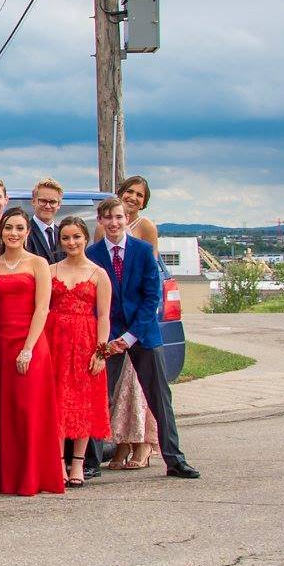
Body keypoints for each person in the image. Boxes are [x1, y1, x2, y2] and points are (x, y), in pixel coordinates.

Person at [89, 197, 200, 479]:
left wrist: (130, 336)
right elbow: (94, 302)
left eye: (119, 217)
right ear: (100, 221)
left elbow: (152, 298)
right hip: (109, 336)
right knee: (99, 398)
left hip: (143, 333)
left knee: (160, 398)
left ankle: (175, 459)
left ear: (126, 219)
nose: (114, 223)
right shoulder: (93, 254)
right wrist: (111, 339)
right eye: (108, 218)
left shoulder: (143, 251)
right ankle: (90, 462)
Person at [0, 208, 66, 497]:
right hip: (0, 341)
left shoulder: (38, 264)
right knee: (6, 411)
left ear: (27, 232)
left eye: (19, 228)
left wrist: (28, 349)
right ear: (1, 231)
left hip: (30, 343)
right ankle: (6, 478)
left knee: (28, 410)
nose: (13, 233)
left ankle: (33, 476)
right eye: (8, 228)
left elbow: (43, 308)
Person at [95, 177, 163, 472]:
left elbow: (151, 281)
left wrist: (131, 334)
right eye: (128, 193)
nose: (133, 198)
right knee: (110, 391)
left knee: (144, 390)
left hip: (140, 326)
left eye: (139, 195)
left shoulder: (144, 232)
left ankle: (146, 445)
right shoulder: (99, 238)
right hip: (110, 326)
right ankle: (118, 445)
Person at [48, 216, 111, 487]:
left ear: (85, 238)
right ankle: (58, 463)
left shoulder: (98, 274)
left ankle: (78, 464)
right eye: (65, 238)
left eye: (76, 237)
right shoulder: (50, 270)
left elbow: (105, 316)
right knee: (58, 402)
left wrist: (101, 352)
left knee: (83, 401)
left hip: (86, 340)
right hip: (55, 340)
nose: (71, 242)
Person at [95, 175, 161, 247]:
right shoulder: (102, 226)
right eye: (129, 191)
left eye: (139, 195)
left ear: (143, 203)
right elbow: (95, 256)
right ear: (120, 194)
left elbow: (151, 257)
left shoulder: (146, 226)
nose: (133, 198)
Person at [25, 178, 65, 263]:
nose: (47, 206)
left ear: (59, 205)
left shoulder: (63, 234)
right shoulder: (24, 233)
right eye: (43, 201)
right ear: (33, 201)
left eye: (53, 202)